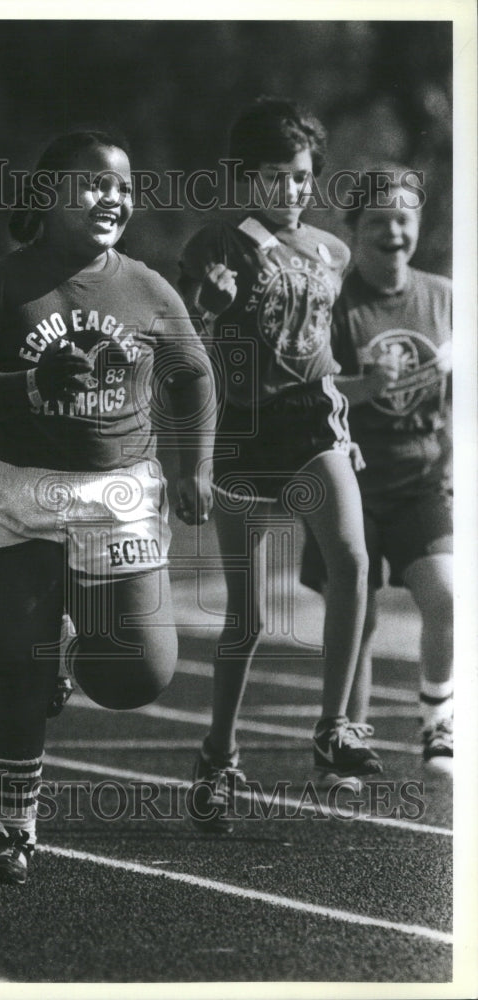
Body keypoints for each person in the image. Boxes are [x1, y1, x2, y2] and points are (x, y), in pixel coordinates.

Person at [0, 130, 216, 883]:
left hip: (117, 494)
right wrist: (29, 384)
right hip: (12, 490)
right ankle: (11, 830)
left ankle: (73, 641)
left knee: (138, 677)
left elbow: (193, 377)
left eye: (123, 188)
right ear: (46, 195)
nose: (114, 199)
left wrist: (193, 465)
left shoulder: (144, 287)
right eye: (94, 184)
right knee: (15, 669)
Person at [177, 97, 382, 831]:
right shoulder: (218, 243)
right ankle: (218, 753)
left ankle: (333, 729)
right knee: (245, 615)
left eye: (298, 177)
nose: (288, 191)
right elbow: (186, 338)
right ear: (243, 178)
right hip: (241, 432)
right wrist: (209, 303)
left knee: (353, 562)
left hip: (311, 422)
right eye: (271, 177)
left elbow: (325, 341)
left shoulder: (331, 251)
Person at [300, 166, 453, 776]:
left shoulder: (444, 296)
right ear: (355, 230)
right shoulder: (333, 299)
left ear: (417, 225)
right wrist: (366, 386)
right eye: (378, 221)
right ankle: (346, 737)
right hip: (351, 481)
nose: (393, 231)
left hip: (422, 482)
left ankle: (439, 720)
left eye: (403, 218)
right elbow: (309, 385)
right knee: (356, 617)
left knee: (446, 596)